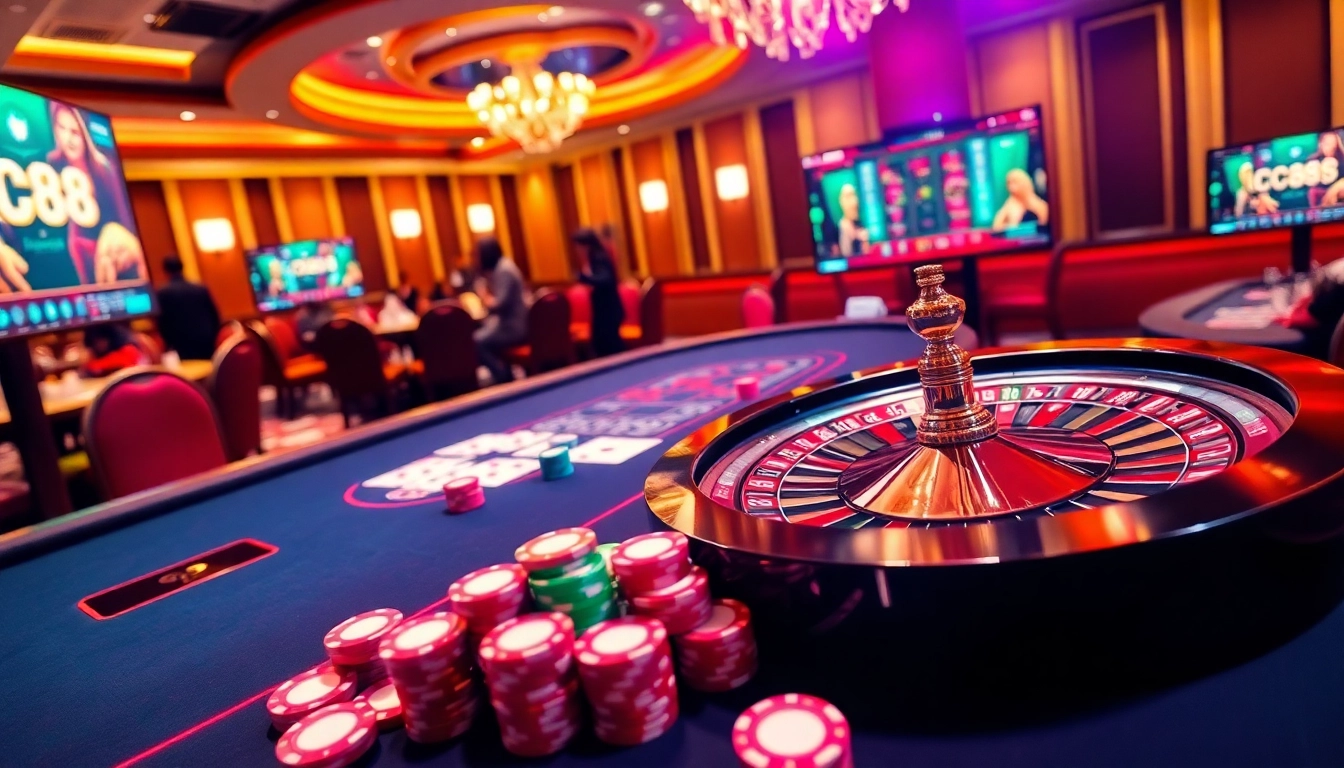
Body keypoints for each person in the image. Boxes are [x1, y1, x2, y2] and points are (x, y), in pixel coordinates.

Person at [45, 102, 145, 286]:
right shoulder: (48, 168)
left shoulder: (106, 171)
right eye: (62, 128)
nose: (68, 138)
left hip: (118, 274)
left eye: (75, 132)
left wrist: (121, 237)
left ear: (85, 134)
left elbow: (130, 232)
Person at [472, 237, 528, 384]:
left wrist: (484, 296)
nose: (477, 259)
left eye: (477, 255)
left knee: (475, 342)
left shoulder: (504, 270)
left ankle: (502, 377)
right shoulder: (503, 267)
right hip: (512, 324)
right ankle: (505, 373)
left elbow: (500, 305)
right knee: (479, 336)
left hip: (514, 327)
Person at [155, 255, 221, 361]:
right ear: (183, 267)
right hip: (207, 340)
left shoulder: (162, 293)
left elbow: (162, 323)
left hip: (181, 344)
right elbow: (215, 316)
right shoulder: (201, 288)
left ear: (165, 271)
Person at [573, 227, 624, 358]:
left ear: (586, 245)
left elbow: (604, 279)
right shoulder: (594, 257)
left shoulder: (599, 257)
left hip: (608, 311)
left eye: (579, 246)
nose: (577, 250)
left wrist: (583, 278)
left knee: (608, 348)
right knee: (602, 345)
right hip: (605, 310)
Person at [836, 184, 868, 257]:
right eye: (848, 197)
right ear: (841, 202)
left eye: (854, 195)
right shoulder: (842, 227)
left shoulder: (860, 224)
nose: (854, 202)